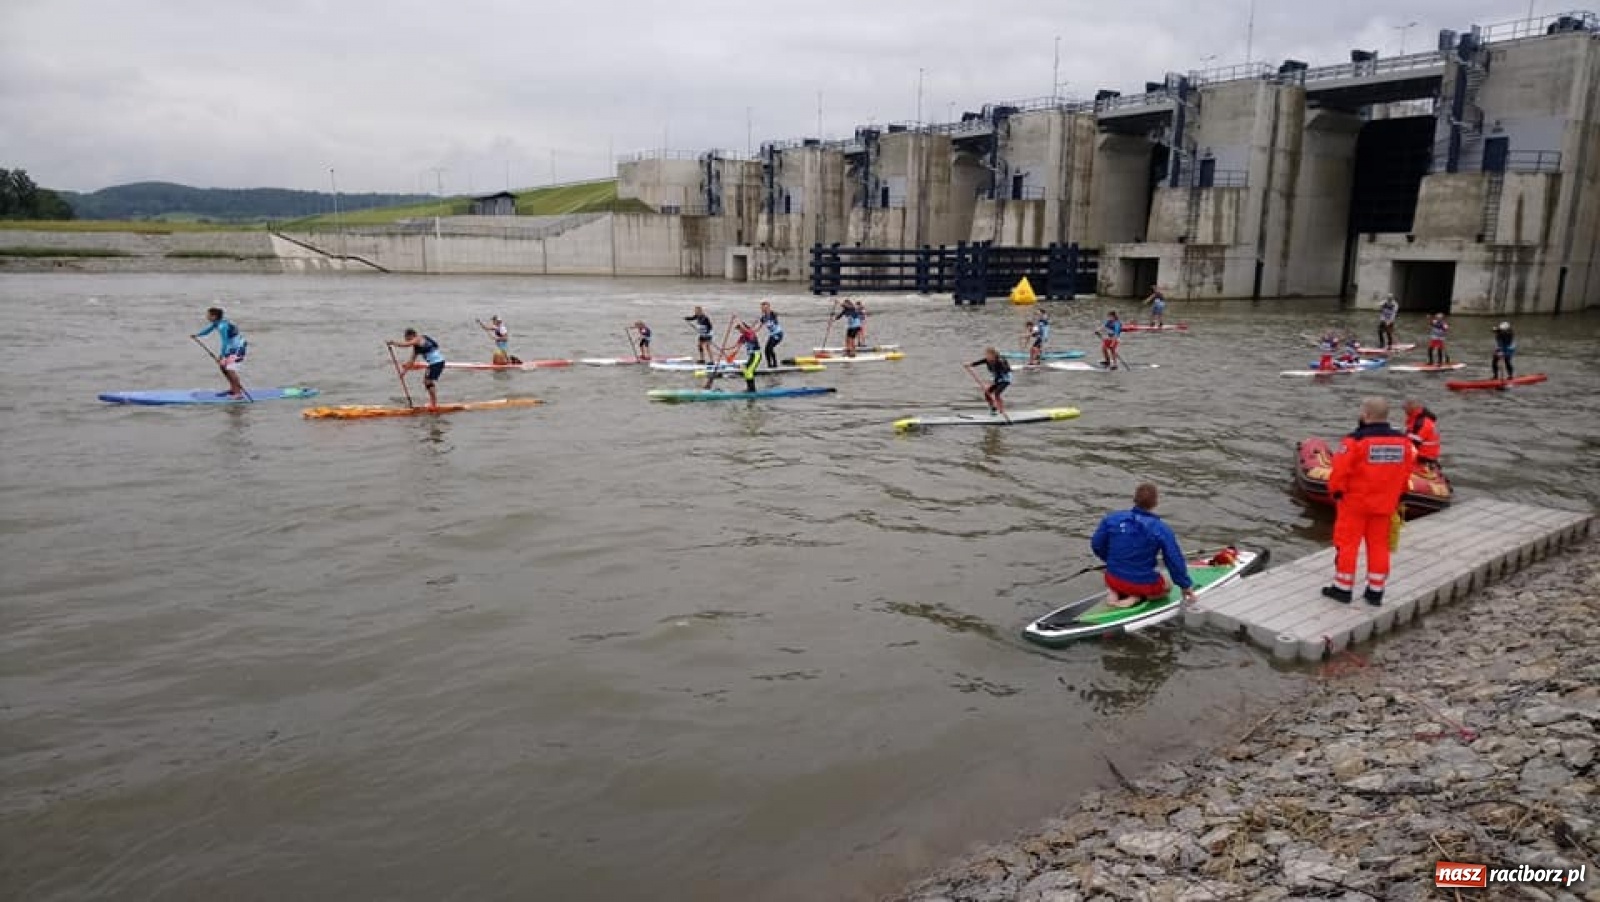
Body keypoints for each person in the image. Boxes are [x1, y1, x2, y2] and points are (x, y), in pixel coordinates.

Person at [1322, 397, 1417, 606]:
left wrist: (1335, 492)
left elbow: (1340, 471)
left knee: (1348, 545)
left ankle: (1342, 588)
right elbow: (1406, 471)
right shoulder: (1403, 442)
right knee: (1379, 546)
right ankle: (1375, 590)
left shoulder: (1355, 441)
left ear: (1366, 415)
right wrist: (1400, 494)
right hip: (1385, 504)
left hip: (1355, 503)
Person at [1090, 482, 1197, 609]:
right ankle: (1137, 597)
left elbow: (1096, 545)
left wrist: (1112, 560)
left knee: (1119, 577)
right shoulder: (1161, 529)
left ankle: (1114, 592)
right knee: (1167, 586)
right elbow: (1173, 559)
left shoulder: (1112, 519)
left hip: (1112, 578)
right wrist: (1185, 585)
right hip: (1141, 584)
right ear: (1155, 503)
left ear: (1134, 499)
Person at [193, 306, 248, 399]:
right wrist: (197, 335)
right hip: (231, 348)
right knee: (223, 367)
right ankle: (233, 389)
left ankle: (238, 393)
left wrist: (222, 355)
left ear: (214, 316)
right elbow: (207, 331)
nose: (206, 317)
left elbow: (225, 342)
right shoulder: (217, 323)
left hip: (238, 347)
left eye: (208, 315)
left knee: (230, 369)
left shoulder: (223, 326)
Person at [389, 328, 445, 409]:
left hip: (437, 362)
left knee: (428, 382)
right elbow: (411, 361)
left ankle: (434, 404)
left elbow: (406, 345)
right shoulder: (416, 347)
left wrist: (393, 343)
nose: (406, 340)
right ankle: (433, 403)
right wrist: (404, 372)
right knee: (426, 382)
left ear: (412, 335)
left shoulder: (419, 338)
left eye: (407, 338)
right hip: (433, 364)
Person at [719, 319, 762, 393]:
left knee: (749, 371)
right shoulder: (742, 337)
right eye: (739, 329)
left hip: (756, 355)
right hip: (751, 356)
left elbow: (745, 328)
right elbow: (736, 347)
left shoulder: (750, 333)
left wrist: (737, 319)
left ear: (743, 327)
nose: (739, 331)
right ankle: (749, 389)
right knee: (745, 370)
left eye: (740, 329)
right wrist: (724, 349)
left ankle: (752, 390)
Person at [967, 347, 1012, 415]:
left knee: (997, 393)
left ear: (993, 355)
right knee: (987, 393)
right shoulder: (987, 360)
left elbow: (1007, 370)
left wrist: (1003, 367)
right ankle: (993, 408)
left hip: (1005, 379)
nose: (986, 356)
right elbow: (978, 363)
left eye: (988, 355)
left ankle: (1001, 409)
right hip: (997, 379)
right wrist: (969, 364)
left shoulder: (1000, 361)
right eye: (986, 355)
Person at [1403, 398, 1441, 465]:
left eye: (1405, 408)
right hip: (1428, 459)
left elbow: (1412, 444)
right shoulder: (1423, 420)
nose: (1404, 411)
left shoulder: (1420, 423)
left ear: (1412, 407)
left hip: (1422, 461)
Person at [758, 301, 784, 369]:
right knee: (766, 350)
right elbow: (759, 327)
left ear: (768, 308)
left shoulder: (773, 314)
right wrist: (752, 331)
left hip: (778, 334)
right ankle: (769, 365)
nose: (763, 309)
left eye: (765, 308)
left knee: (770, 348)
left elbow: (775, 314)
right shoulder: (763, 318)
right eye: (762, 308)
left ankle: (775, 364)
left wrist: (769, 311)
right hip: (772, 335)